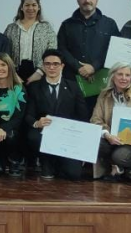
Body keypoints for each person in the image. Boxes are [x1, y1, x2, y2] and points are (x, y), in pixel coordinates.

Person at [23, 49, 89, 181]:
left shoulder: (74, 87)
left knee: (74, 175)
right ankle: (46, 162)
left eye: (55, 64)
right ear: (43, 66)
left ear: (62, 66)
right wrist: (37, 123)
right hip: (43, 134)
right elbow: (28, 115)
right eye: (47, 64)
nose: (51, 67)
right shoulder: (34, 87)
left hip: (67, 137)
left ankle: (59, 162)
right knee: (33, 136)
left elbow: (83, 116)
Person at [57, 0, 120, 111]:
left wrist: (93, 66)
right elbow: (62, 50)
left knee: (99, 117)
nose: (87, 0)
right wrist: (79, 67)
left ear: (97, 0)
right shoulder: (66, 25)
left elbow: (114, 50)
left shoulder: (109, 24)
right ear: (78, 0)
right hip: (72, 81)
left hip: (100, 82)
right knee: (74, 118)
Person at [0, 53, 26, 177]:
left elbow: (19, 116)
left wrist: (4, 128)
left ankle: (14, 160)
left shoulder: (19, 89)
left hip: (9, 133)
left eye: (3, 64)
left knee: (11, 136)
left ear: (10, 67)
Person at [3, 0, 57, 84]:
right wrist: (13, 73)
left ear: (38, 7)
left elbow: (52, 50)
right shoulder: (11, 28)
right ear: (21, 7)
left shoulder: (46, 27)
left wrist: (40, 72)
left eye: (34, 5)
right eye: (27, 5)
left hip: (39, 72)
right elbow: (4, 52)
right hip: (15, 72)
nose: (30, 8)